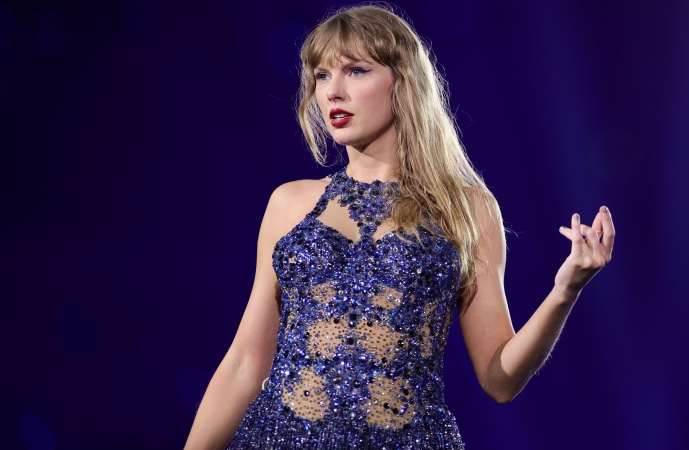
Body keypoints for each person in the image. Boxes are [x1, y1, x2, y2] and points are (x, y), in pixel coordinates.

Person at [185, 4, 615, 449]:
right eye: (321, 75)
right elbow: (243, 364)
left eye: (354, 71)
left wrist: (566, 290)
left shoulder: (465, 209)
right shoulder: (290, 203)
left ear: (402, 81)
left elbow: (498, 378)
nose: (333, 92)